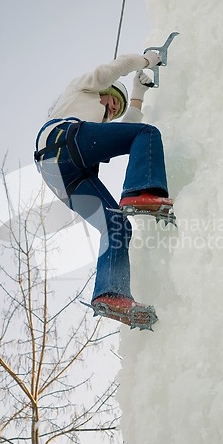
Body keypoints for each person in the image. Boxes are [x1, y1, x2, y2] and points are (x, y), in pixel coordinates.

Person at [34, 50, 172, 330]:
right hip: (62, 142)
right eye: (113, 103)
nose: (111, 110)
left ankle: (110, 294)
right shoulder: (83, 88)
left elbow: (126, 132)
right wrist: (148, 59)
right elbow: (115, 68)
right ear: (105, 91)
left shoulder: (95, 124)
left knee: (117, 224)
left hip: (63, 178)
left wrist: (137, 92)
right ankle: (141, 192)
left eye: (116, 111)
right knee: (148, 134)